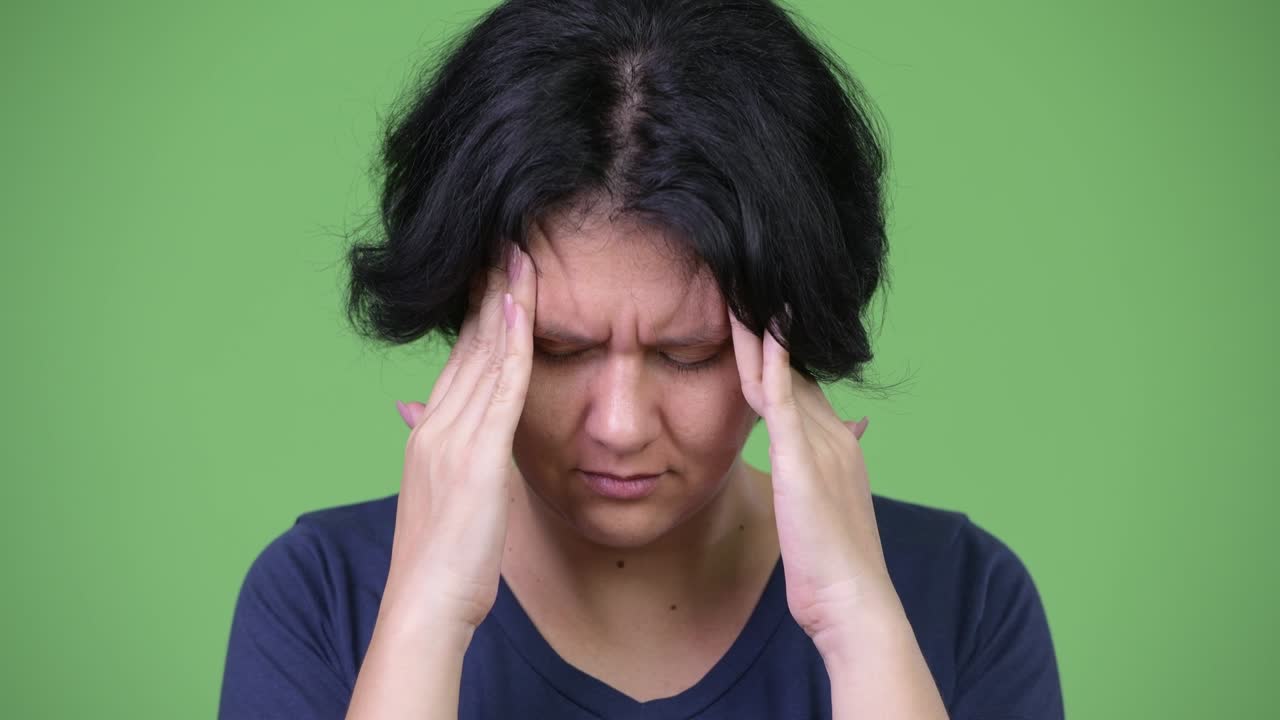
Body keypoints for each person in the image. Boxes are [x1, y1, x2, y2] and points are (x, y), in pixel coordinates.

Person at [218, 0, 1064, 717]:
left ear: (793, 334)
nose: (620, 426)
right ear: (464, 310)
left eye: (689, 353)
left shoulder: (964, 596)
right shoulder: (320, 596)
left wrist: (857, 624)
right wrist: (427, 617)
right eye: (557, 349)